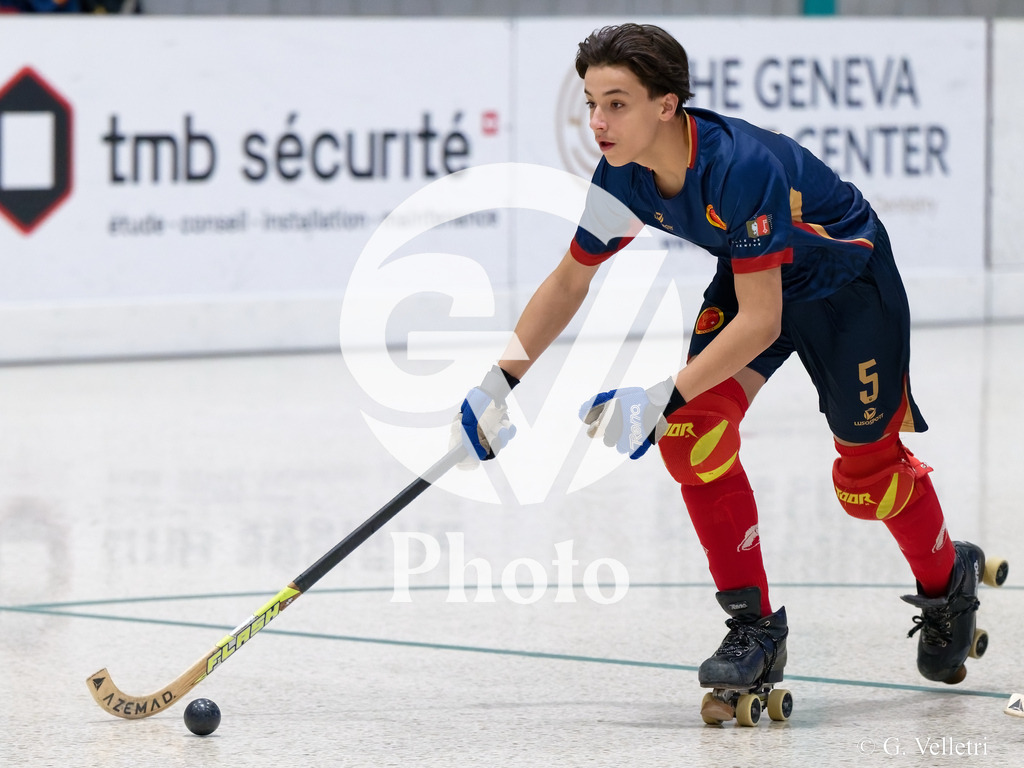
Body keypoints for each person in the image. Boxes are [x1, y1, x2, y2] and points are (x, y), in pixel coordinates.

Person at [456, 22, 999, 720]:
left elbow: (763, 325)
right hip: (754, 282)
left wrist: (659, 394)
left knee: (867, 481)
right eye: (591, 102)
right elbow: (569, 280)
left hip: (845, 289)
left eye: (616, 102)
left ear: (667, 104)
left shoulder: (740, 168)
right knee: (690, 437)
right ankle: (755, 630)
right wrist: (498, 383)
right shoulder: (621, 173)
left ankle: (947, 577)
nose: (598, 121)